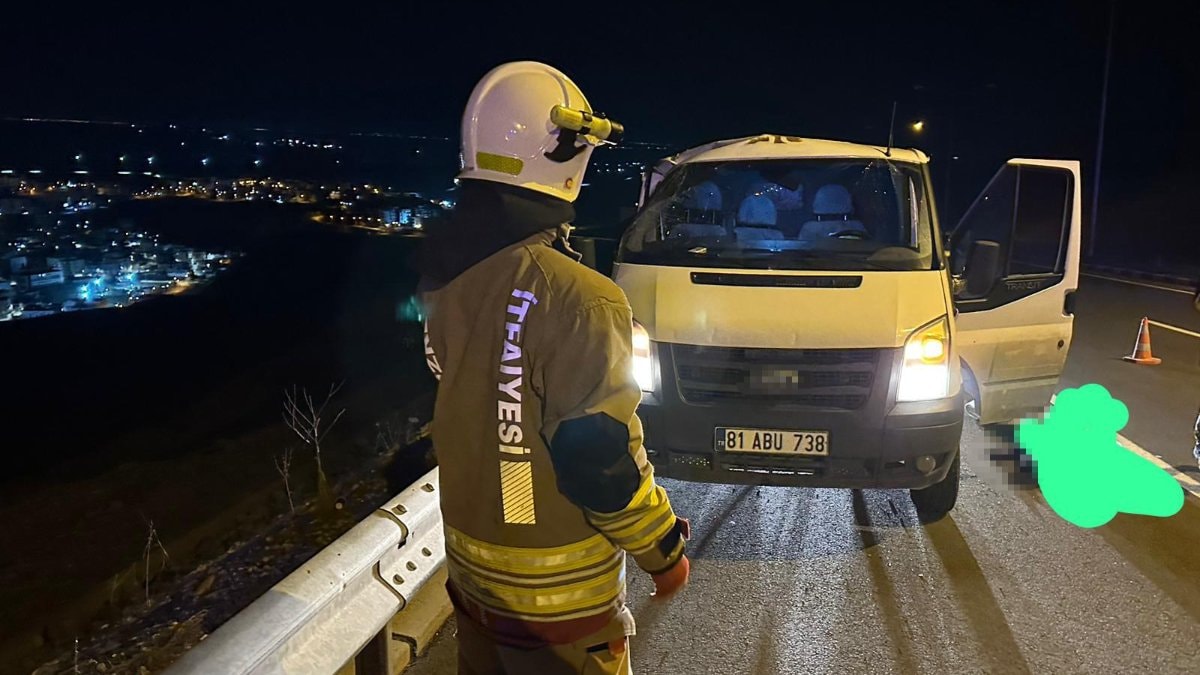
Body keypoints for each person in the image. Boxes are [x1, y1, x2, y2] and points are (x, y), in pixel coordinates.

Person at [418, 61, 690, 675]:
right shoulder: (580, 296)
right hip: (560, 615)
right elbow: (597, 458)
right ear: (564, 151)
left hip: (474, 581)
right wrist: (662, 545)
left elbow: (487, 408)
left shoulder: (442, 279)